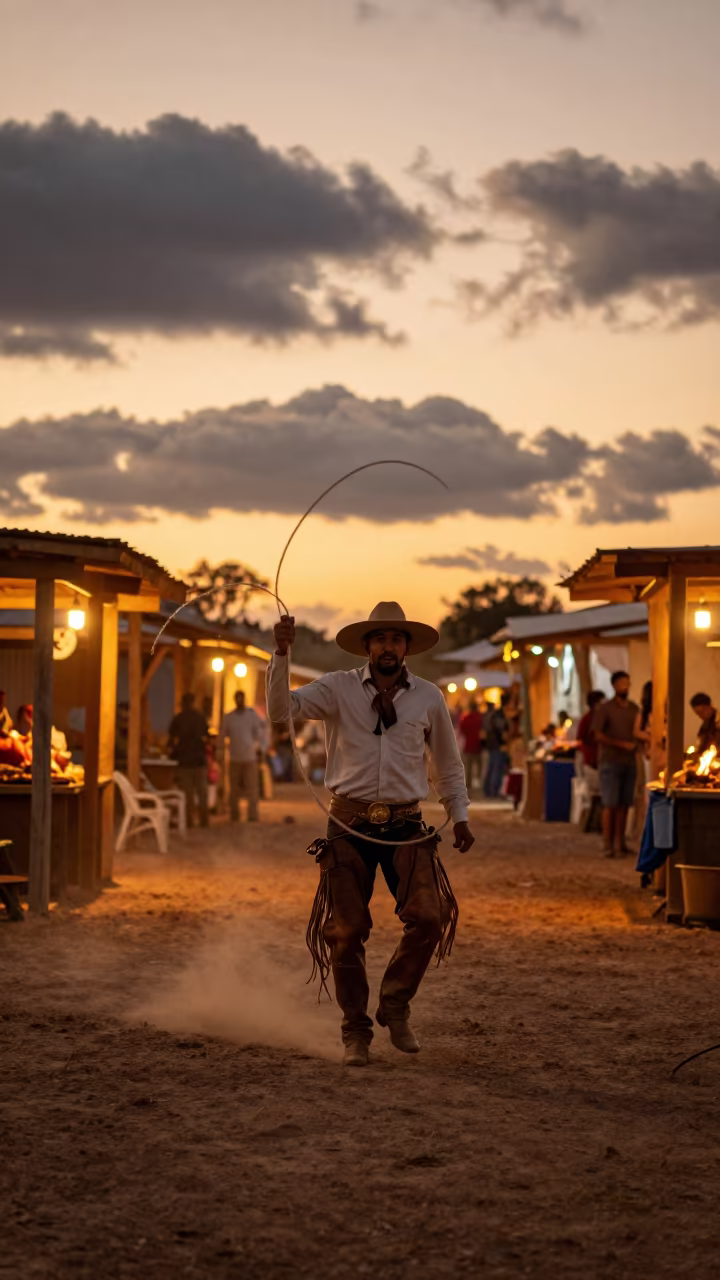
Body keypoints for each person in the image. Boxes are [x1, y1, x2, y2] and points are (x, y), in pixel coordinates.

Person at [267, 601, 474, 1069]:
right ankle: (355, 1030)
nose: (388, 646)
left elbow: (447, 764)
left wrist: (458, 815)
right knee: (346, 929)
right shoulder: (338, 688)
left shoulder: (428, 697)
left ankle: (395, 1003)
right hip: (348, 822)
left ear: (406, 647)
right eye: (380, 638)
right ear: (367, 646)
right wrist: (280, 654)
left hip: (406, 822)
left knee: (430, 916)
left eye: (396, 639)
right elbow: (282, 710)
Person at [593, 671, 639, 857]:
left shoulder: (634, 709)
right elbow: (597, 735)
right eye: (621, 683)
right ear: (614, 686)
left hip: (629, 761)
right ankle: (607, 843)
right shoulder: (605, 709)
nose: (625, 687)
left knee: (624, 804)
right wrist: (620, 744)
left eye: (627, 683)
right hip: (610, 761)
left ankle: (620, 842)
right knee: (610, 803)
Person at [167, 693, 210, 828]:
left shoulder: (178, 719)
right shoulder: (200, 718)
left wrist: (173, 752)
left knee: (187, 794)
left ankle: (189, 821)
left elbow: (171, 739)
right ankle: (204, 821)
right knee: (202, 793)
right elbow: (206, 737)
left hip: (184, 761)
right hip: (198, 760)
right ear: (193, 702)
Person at [222, 690, 265, 822]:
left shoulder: (251, 716)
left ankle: (253, 815)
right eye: (238, 698)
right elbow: (223, 735)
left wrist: (259, 749)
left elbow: (259, 733)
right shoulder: (229, 717)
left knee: (252, 788)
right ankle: (234, 815)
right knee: (234, 789)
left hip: (249, 757)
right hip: (234, 757)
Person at [484, 693, 511, 797]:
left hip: (493, 744)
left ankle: (488, 790)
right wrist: (502, 743)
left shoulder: (496, 714)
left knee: (492, 766)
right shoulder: (500, 715)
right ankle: (493, 791)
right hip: (497, 745)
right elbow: (499, 731)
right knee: (496, 767)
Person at [577, 690, 605, 785]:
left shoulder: (605, 718)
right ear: (595, 704)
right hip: (592, 763)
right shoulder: (587, 719)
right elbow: (581, 738)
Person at [459, 699, 484, 795]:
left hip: (468, 746)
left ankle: (468, 786)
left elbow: (462, 730)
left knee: (468, 768)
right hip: (478, 746)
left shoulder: (466, 718)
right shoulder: (480, 718)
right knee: (479, 767)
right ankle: (479, 784)